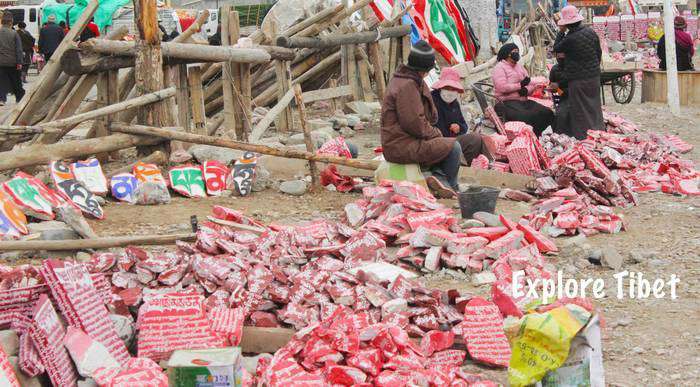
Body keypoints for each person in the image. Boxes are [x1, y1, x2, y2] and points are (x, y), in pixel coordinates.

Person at [380, 40, 462, 198]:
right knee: (454, 147)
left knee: (446, 144)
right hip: (401, 145)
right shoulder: (407, 86)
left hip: (403, 141)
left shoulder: (409, 81)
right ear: (425, 68)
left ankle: (437, 178)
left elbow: (426, 118)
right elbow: (415, 125)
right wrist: (436, 134)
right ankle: (446, 184)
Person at [553, 5, 604, 139]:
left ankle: (584, 136)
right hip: (593, 77)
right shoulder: (591, 32)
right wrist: (593, 68)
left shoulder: (570, 38)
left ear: (567, 24)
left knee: (580, 110)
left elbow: (557, 48)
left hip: (578, 79)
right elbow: (599, 53)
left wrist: (560, 31)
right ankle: (598, 132)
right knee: (594, 107)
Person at [430, 67, 492, 166]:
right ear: (441, 87)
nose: (450, 91)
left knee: (478, 139)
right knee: (474, 138)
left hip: (453, 140)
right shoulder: (432, 101)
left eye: (453, 89)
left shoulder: (454, 103)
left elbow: (463, 125)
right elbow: (435, 130)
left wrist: (459, 127)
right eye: (447, 88)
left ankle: (486, 163)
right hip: (439, 144)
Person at [492, 43, 554, 136]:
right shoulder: (499, 68)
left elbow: (529, 82)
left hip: (524, 100)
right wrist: (519, 86)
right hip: (506, 102)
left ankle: (540, 137)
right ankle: (528, 139)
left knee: (546, 112)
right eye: (514, 52)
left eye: (517, 51)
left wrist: (527, 90)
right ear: (507, 53)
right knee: (526, 116)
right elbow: (502, 87)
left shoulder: (519, 67)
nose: (517, 53)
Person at [0, 13, 25, 105]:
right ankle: (19, 98)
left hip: (1, 62)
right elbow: (18, 49)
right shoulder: (14, 33)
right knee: (16, 80)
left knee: (1, 81)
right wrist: (19, 62)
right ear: (11, 22)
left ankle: (1, 99)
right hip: (13, 62)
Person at [549, 51, 570, 133]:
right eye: (558, 55)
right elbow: (552, 87)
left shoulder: (573, 68)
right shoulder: (554, 69)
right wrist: (558, 90)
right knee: (561, 115)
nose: (560, 57)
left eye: (563, 54)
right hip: (562, 97)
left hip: (575, 96)